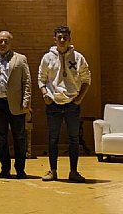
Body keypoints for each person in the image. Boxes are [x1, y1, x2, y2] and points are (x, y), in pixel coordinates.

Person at [38, 26, 91, 183]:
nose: (62, 40)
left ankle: (73, 171)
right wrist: (44, 94)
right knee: (52, 138)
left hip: (72, 103)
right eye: (59, 37)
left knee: (74, 138)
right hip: (53, 102)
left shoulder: (78, 57)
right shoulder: (47, 58)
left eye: (65, 37)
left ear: (70, 39)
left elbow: (87, 79)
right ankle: (52, 171)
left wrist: (80, 98)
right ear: (54, 39)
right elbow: (41, 78)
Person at [0, 30, 31, 179]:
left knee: (19, 137)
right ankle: (5, 168)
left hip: (16, 104)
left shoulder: (20, 59)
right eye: (0, 40)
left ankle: (20, 169)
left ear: (11, 42)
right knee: (1, 137)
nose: (3, 43)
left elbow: (27, 82)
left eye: (6, 41)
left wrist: (26, 102)